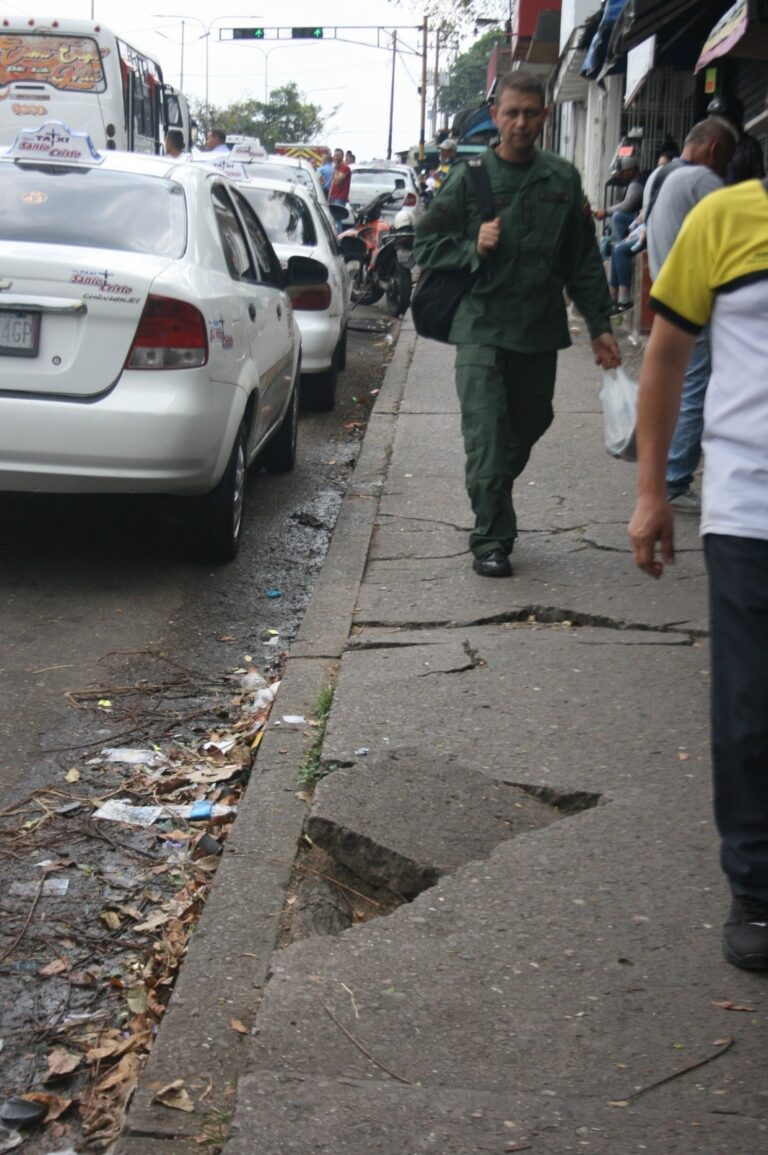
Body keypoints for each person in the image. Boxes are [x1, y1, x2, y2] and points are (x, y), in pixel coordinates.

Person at [628, 175, 768, 971]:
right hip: (751, 509)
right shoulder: (724, 218)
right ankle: (756, 884)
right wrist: (652, 493)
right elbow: (667, 358)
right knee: (751, 709)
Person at [413, 71, 621, 579]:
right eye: (512, 113)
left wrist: (600, 325)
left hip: (538, 329)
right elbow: (424, 243)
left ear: (545, 116)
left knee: (530, 423)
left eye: (531, 112)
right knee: (486, 436)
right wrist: (470, 246)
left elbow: (583, 259)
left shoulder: (562, 179)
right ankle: (492, 538)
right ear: (497, 117)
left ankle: (492, 492)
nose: (521, 122)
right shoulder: (472, 179)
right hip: (481, 327)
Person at [646, 118, 736, 515]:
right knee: (695, 391)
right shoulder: (703, 181)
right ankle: (676, 480)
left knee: (680, 389)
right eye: (726, 159)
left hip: (667, 299)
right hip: (695, 305)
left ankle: (671, 474)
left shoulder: (660, 175)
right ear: (715, 149)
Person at [607, 146, 678, 312]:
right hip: (644, 227)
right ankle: (614, 296)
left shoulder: (663, 185)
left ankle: (623, 297)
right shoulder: (654, 182)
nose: (660, 170)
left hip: (656, 233)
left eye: (664, 166)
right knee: (617, 248)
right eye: (659, 166)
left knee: (619, 246)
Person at [594, 156, 643, 251]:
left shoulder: (637, 183)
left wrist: (606, 212)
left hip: (642, 220)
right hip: (639, 219)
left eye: (622, 173)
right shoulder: (633, 182)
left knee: (618, 216)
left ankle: (619, 248)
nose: (620, 176)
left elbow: (627, 205)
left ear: (631, 170)